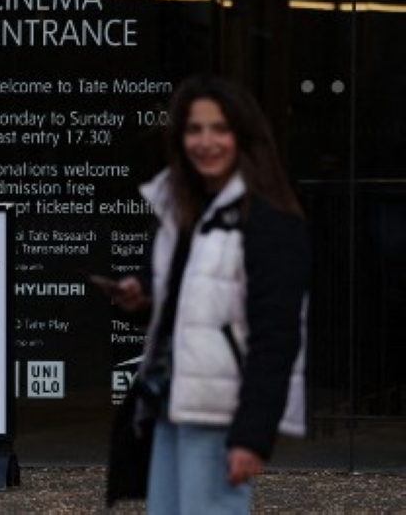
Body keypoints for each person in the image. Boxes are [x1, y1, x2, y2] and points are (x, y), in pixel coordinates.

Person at [109, 75, 310, 513]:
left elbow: (276, 341)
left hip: (221, 413)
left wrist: (251, 437)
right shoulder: (182, 213)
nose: (206, 141)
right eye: (194, 129)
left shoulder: (270, 225)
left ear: (243, 136)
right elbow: (182, 303)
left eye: (219, 129)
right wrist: (140, 296)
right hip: (169, 401)